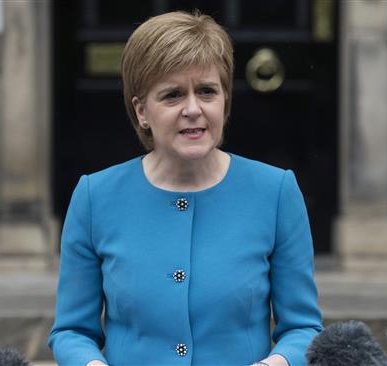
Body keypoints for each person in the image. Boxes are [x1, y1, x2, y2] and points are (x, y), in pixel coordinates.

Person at [48, 10, 323, 366]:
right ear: (142, 110)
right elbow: (72, 332)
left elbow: (303, 327)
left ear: (224, 100)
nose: (193, 109)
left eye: (207, 91)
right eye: (173, 95)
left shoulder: (276, 192)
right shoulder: (94, 197)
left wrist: (278, 363)